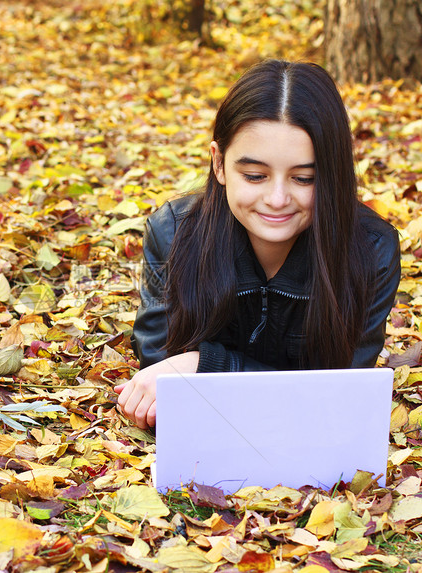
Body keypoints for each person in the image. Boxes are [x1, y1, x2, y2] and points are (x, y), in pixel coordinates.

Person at [115, 59, 401, 430]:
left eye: (303, 178)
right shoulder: (173, 233)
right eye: (254, 175)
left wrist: (205, 365)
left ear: (332, 174)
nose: (277, 198)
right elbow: (162, 382)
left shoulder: (371, 249)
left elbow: (338, 395)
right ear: (218, 164)